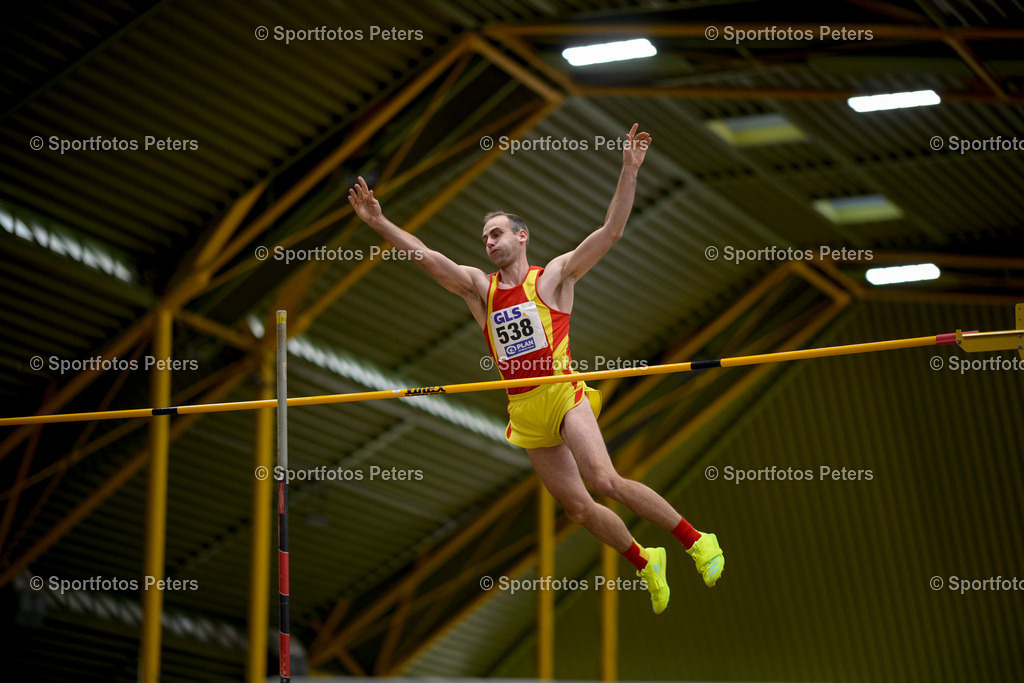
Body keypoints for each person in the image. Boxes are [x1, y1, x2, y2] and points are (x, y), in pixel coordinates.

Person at [348, 124, 723, 613]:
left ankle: (696, 539)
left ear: (521, 237)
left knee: (604, 481)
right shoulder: (479, 289)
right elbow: (426, 258)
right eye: (484, 236)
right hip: (524, 409)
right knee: (578, 508)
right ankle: (645, 559)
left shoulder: (556, 277)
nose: (489, 241)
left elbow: (611, 232)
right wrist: (380, 223)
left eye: (497, 232)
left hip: (562, 393)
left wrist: (628, 171)